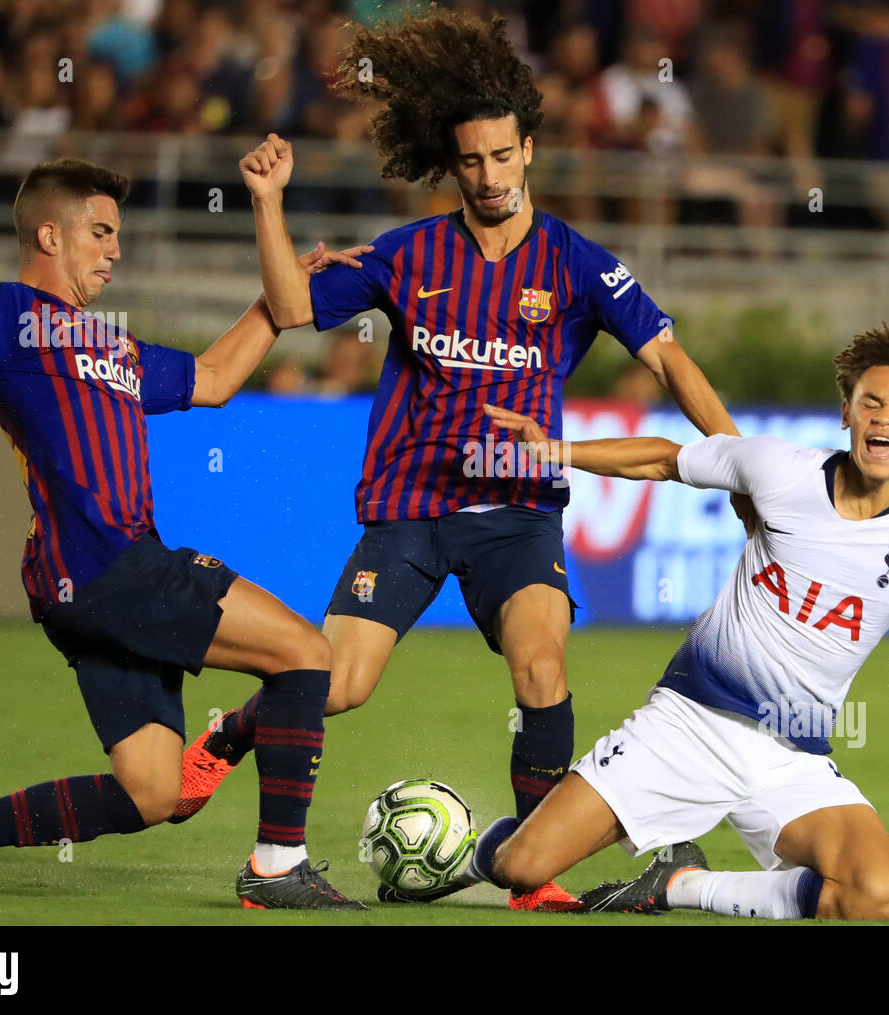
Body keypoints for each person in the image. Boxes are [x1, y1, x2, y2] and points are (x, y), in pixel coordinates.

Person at [170, 10, 743, 911]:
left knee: (542, 667)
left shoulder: (579, 264)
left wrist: (739, 463)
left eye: (501, 156)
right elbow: (285, 310)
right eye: (470, 160)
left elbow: (669, 358)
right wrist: (269, 203)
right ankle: (236, 731)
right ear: (456, 163)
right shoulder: (408, 255)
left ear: (528, 151)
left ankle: (533, 873)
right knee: (340, 683)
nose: (487, 175)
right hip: (410, 508)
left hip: (517, 514)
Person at [458, 323, 889, 920]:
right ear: (846, 411)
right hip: (690, 722)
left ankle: (675, 885)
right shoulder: (779, 469)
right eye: (871, 402)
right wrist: (558, 452)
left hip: (793, 754)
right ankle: (452, 848)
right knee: (523, 864)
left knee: (872, 892)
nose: (885, 418)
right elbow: (665, 459)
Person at [0, 148, 372, 910]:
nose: (116, 248)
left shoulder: (111, 341)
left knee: (152, 792)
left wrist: (280, 293)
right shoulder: (6, 309)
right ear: (49, 237)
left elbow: (212, 380)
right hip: (108, 566)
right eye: (100, 231)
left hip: (96, 583)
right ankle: (277, 861)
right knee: (306, 654)